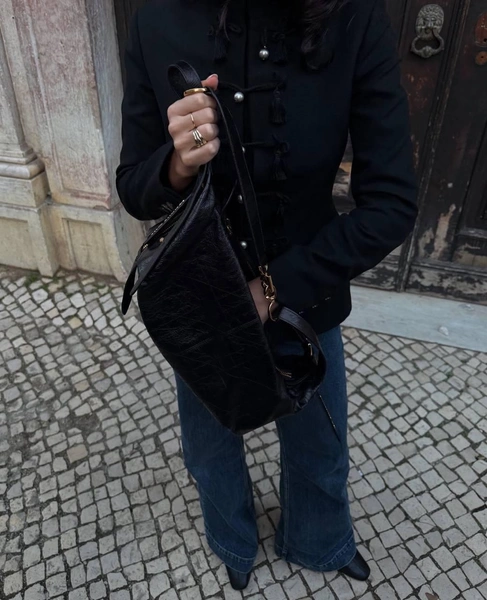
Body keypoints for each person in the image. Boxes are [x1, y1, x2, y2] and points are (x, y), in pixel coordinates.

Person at [116, 0, 418, 590]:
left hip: (310, 291)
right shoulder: (156, 20)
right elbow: (134, 187)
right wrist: (177, 163)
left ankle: (320, 539)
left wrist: (274, 289)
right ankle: (231, 539)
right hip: (201, 298)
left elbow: (392, 204)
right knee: (209, 442)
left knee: (320, 444)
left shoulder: (354, 17)